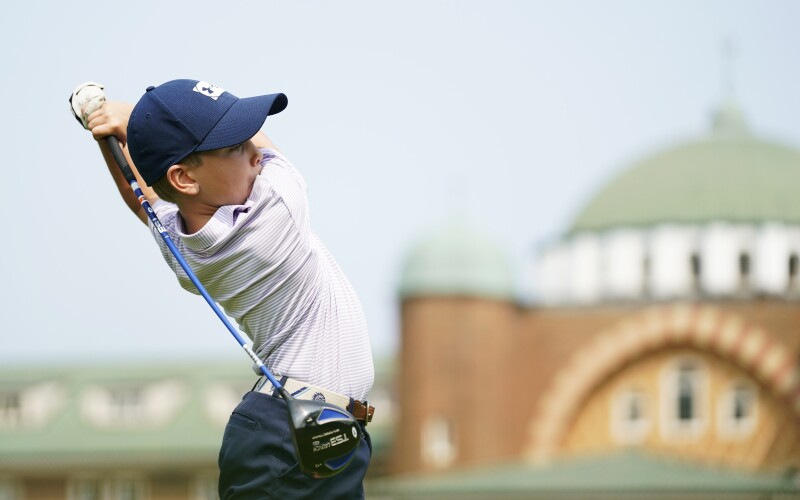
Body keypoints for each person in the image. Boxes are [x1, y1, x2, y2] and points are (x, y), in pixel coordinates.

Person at [73, 79, 375, 499]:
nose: (253, 155)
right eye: (234, 146)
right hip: (291, 438)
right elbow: (263, 147)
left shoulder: (183, 245)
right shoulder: (277, 210)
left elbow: (142, 197)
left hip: (301, 434)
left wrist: (120, 137)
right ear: (183, 177)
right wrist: (128, 124)